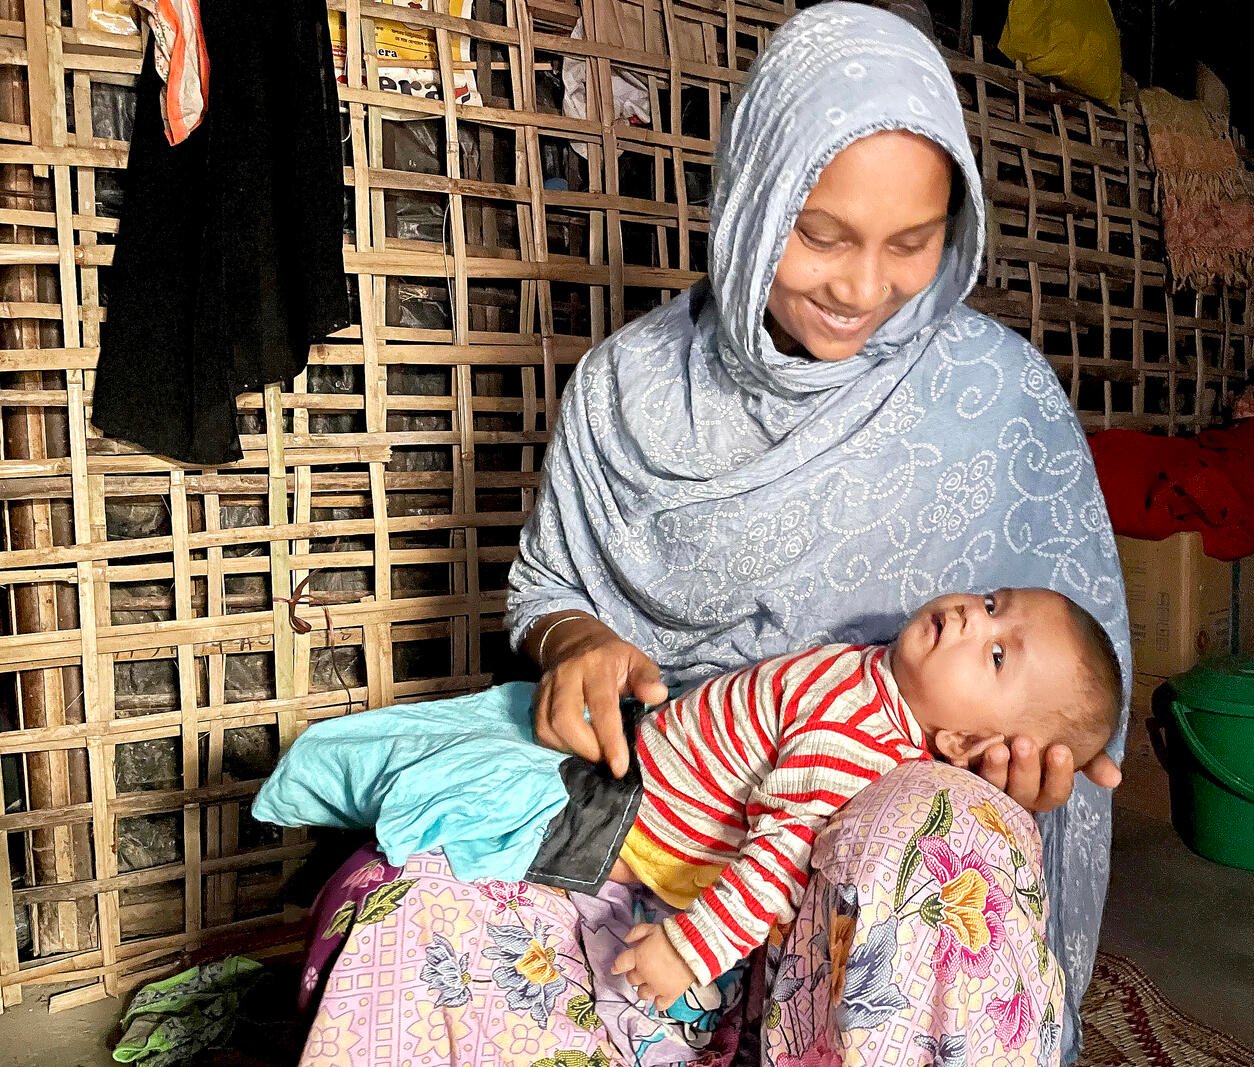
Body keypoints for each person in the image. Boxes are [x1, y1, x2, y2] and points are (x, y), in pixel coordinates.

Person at [295, 5, 1130, 1064]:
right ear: (747, 198)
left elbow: (1067, 668)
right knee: (407, 909)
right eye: (818, 233)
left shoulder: (998, 396)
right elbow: (551, 585)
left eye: (911, 243)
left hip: (853, 877)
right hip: (654, 819)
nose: (861, 287)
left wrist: (1020, 763)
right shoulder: (627, 392)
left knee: (940, 844)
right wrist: (573, 643)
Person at [257, 588, 1121, 1008]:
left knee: (444, 782)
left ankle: (330, 799)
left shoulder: (853, 735)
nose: (974, 618)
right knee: (484, 725)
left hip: (624, 815)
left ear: (969, 745)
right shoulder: (881, 672)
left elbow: (780, 859)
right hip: (639, 750)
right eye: (995, 601)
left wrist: (693, 947)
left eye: (998, 654)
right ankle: (327, 795)